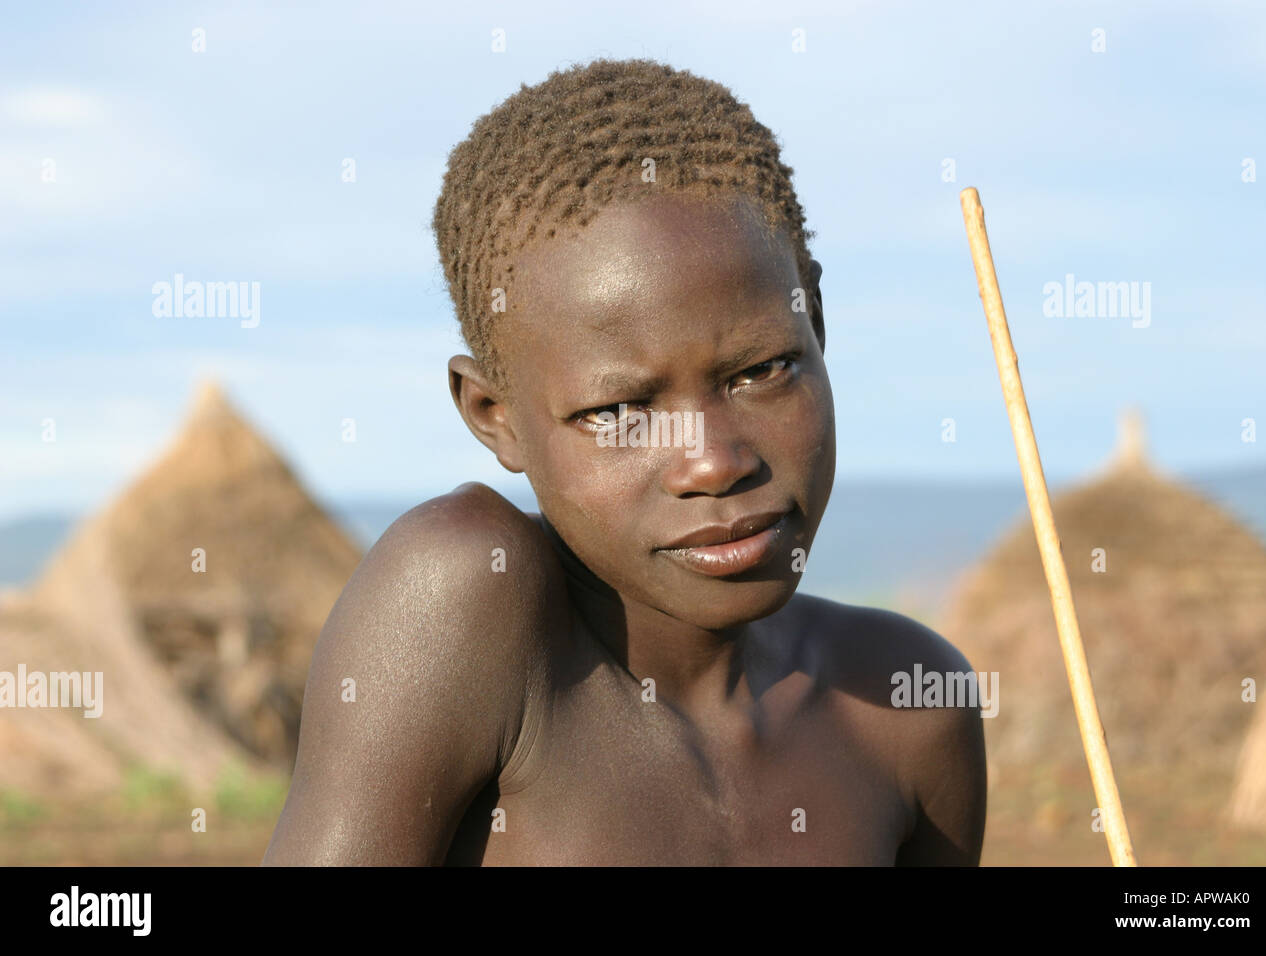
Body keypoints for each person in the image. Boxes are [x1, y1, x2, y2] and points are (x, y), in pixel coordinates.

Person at [263, 58, 985, 865]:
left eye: (762, 371)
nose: (712, 463)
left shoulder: (907, 704)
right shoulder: (469, 596)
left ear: (813, 321)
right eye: (617, 412)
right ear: (493, 415)